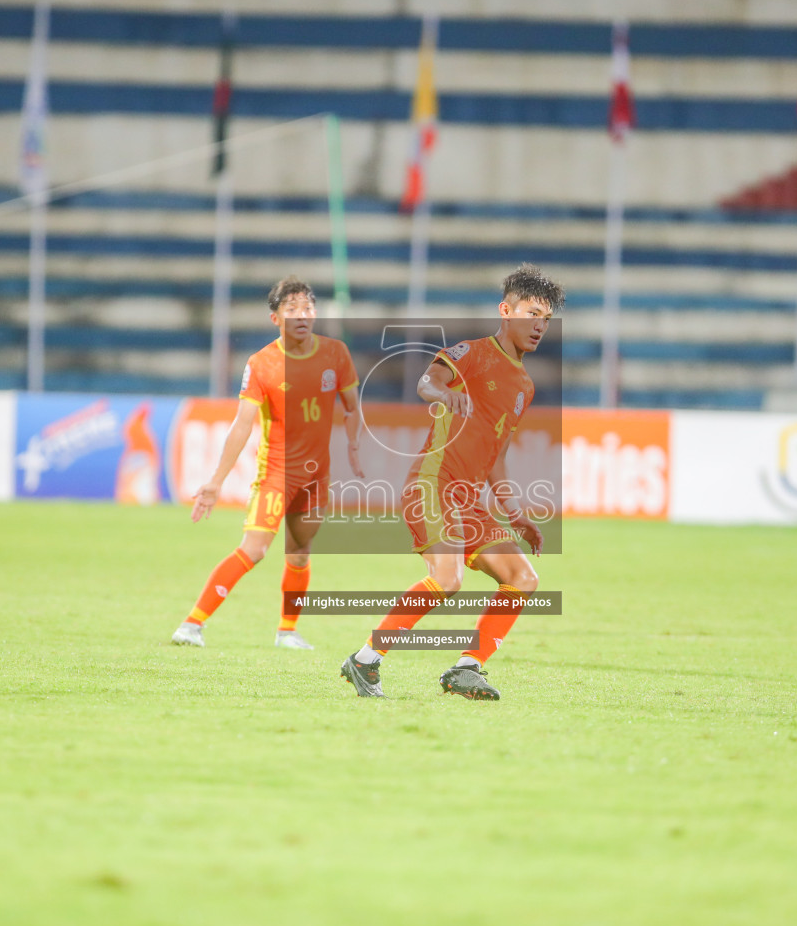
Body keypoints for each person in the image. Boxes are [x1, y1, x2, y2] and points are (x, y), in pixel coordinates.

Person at [339, 264, 562, 700]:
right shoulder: (472, 353)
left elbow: (497, 456)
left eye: (547, 319)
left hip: (469, 500)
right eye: (532, 313)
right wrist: (445, 394)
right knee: (448, 578)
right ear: (506, 310)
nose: (539, 326)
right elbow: (428, 381)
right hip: (433, 484)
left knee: (522, 577)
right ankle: (366, 660)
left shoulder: (524, 385)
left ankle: (466, 668)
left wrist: (516, 515)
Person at [171, 276, 363, 649]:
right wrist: (215, 481)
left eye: (307, 307)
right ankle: (192, 624)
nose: (302, 315)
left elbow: (353, 405)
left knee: (300, 551)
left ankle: (287, 631)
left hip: (317, 477)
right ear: (276, 318)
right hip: (277, 473)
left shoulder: (336, 353)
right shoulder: (262, 364)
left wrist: (354, 442)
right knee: (255, 549)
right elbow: (242, 424)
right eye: (291, 309)